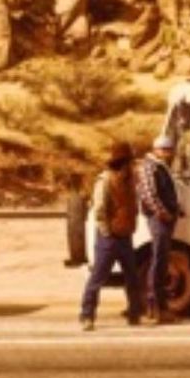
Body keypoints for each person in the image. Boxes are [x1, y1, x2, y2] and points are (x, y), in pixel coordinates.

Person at [79, 141, 140, 331]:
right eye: (129, 162)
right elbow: (99, 209)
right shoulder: (105, 180)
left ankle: (134, 313)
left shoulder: (129, 180)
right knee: (98, 277)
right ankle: (87, 315)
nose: (131, 166)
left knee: (132, 277)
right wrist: (107, 232)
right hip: (110, 238)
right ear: (122, 162)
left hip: (125, 235)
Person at [138, 134, 181, 324]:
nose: (167, 153)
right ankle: (155, 307)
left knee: (162, 262)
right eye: (164, 150)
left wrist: (178, 210)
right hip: (159, 220)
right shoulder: (150, 167)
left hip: (165, 218)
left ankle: (159, 308)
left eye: (169, 150)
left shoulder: (161, 167)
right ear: (156, 150)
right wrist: (164, 213)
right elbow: (149, 195)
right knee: (158, 262)